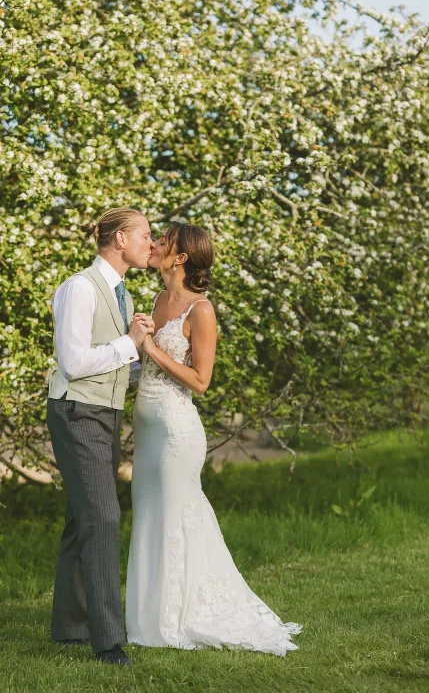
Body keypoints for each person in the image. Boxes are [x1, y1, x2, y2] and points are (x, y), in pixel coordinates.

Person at [126, 222, 301, 654]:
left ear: (181, 257)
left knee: (175, 520)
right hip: (146, 430)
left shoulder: (201, 310)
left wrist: (150, 348)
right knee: (150, 518)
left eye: (163, 241)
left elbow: (201, 381)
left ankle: (176, 619)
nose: (155, 245)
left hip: (175, 433)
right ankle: (146, 615)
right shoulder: (158, 298)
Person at [47, 207, 155, 666]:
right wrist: (130, 344)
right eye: (146, 235)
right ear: (120, 239)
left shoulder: (122, 294)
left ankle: (69, 627)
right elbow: (73, 362)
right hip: (77, 413)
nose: (151, 244)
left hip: (104, 414)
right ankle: (108, 639)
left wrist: (143, 357)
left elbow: (111, 363)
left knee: (84, 517)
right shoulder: (79, 289)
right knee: (105, 517)